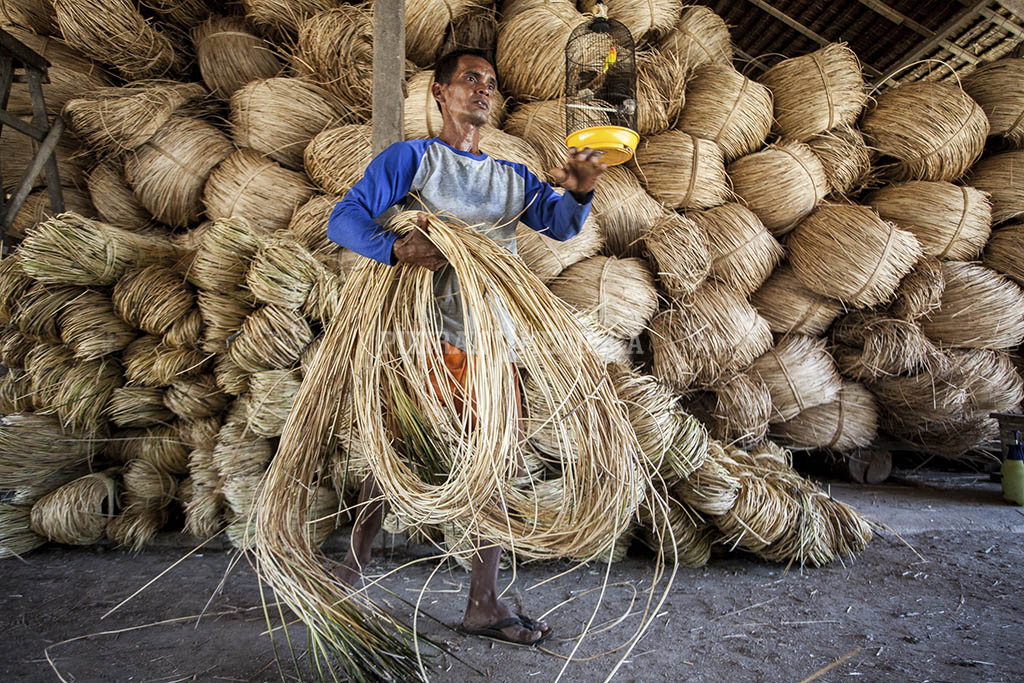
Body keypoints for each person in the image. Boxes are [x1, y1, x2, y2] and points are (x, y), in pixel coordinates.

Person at [326, 48, 607, 646]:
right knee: (390, 451)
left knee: (494, 464)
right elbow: (344, 218)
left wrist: (580, 189)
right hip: (423, 337)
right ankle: (351, 569)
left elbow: (558, 224)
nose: (482, 89)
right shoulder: (414, 159)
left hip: (489, 342)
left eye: (491, 83)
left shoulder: (510, 178)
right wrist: (396, 249)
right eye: (470, 79)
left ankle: (483, 603)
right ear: (440, 92)